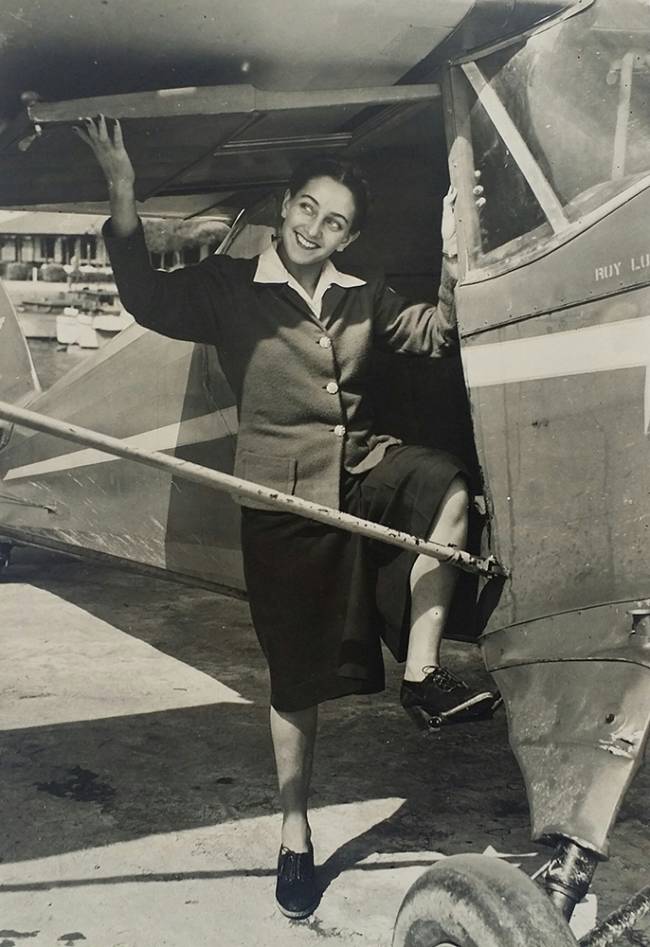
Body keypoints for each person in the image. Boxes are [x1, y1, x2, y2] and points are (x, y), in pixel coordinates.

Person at [75, 114, 498, 920]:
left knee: (444, 485)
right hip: (283, 499)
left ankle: (421, 675)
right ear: (284, 205)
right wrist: (124, 191)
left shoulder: (362, 291)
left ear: (349, 235)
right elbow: (146, 295)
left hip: (362, 469)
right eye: (307, 208)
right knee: (296, 679)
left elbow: (437, 334)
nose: (315, 227)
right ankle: (294, 830)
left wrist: (452, 260)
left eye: (335, 220)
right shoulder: (230, 286)